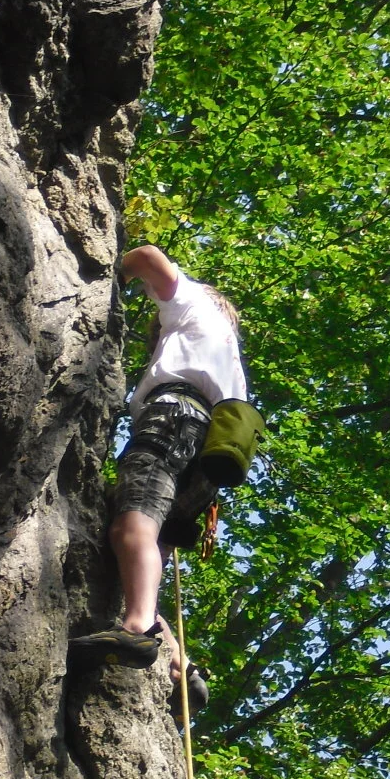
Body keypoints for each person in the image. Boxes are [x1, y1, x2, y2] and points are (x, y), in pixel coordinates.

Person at [68, 245, 248, 716]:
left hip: (174, 419)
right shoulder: (228, 358)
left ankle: (135, 631)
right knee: (148, 556)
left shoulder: (194, 303)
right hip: (209, 459)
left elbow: (149, 257)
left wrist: (114, 270)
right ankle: (179, 663)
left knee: (132, 528)